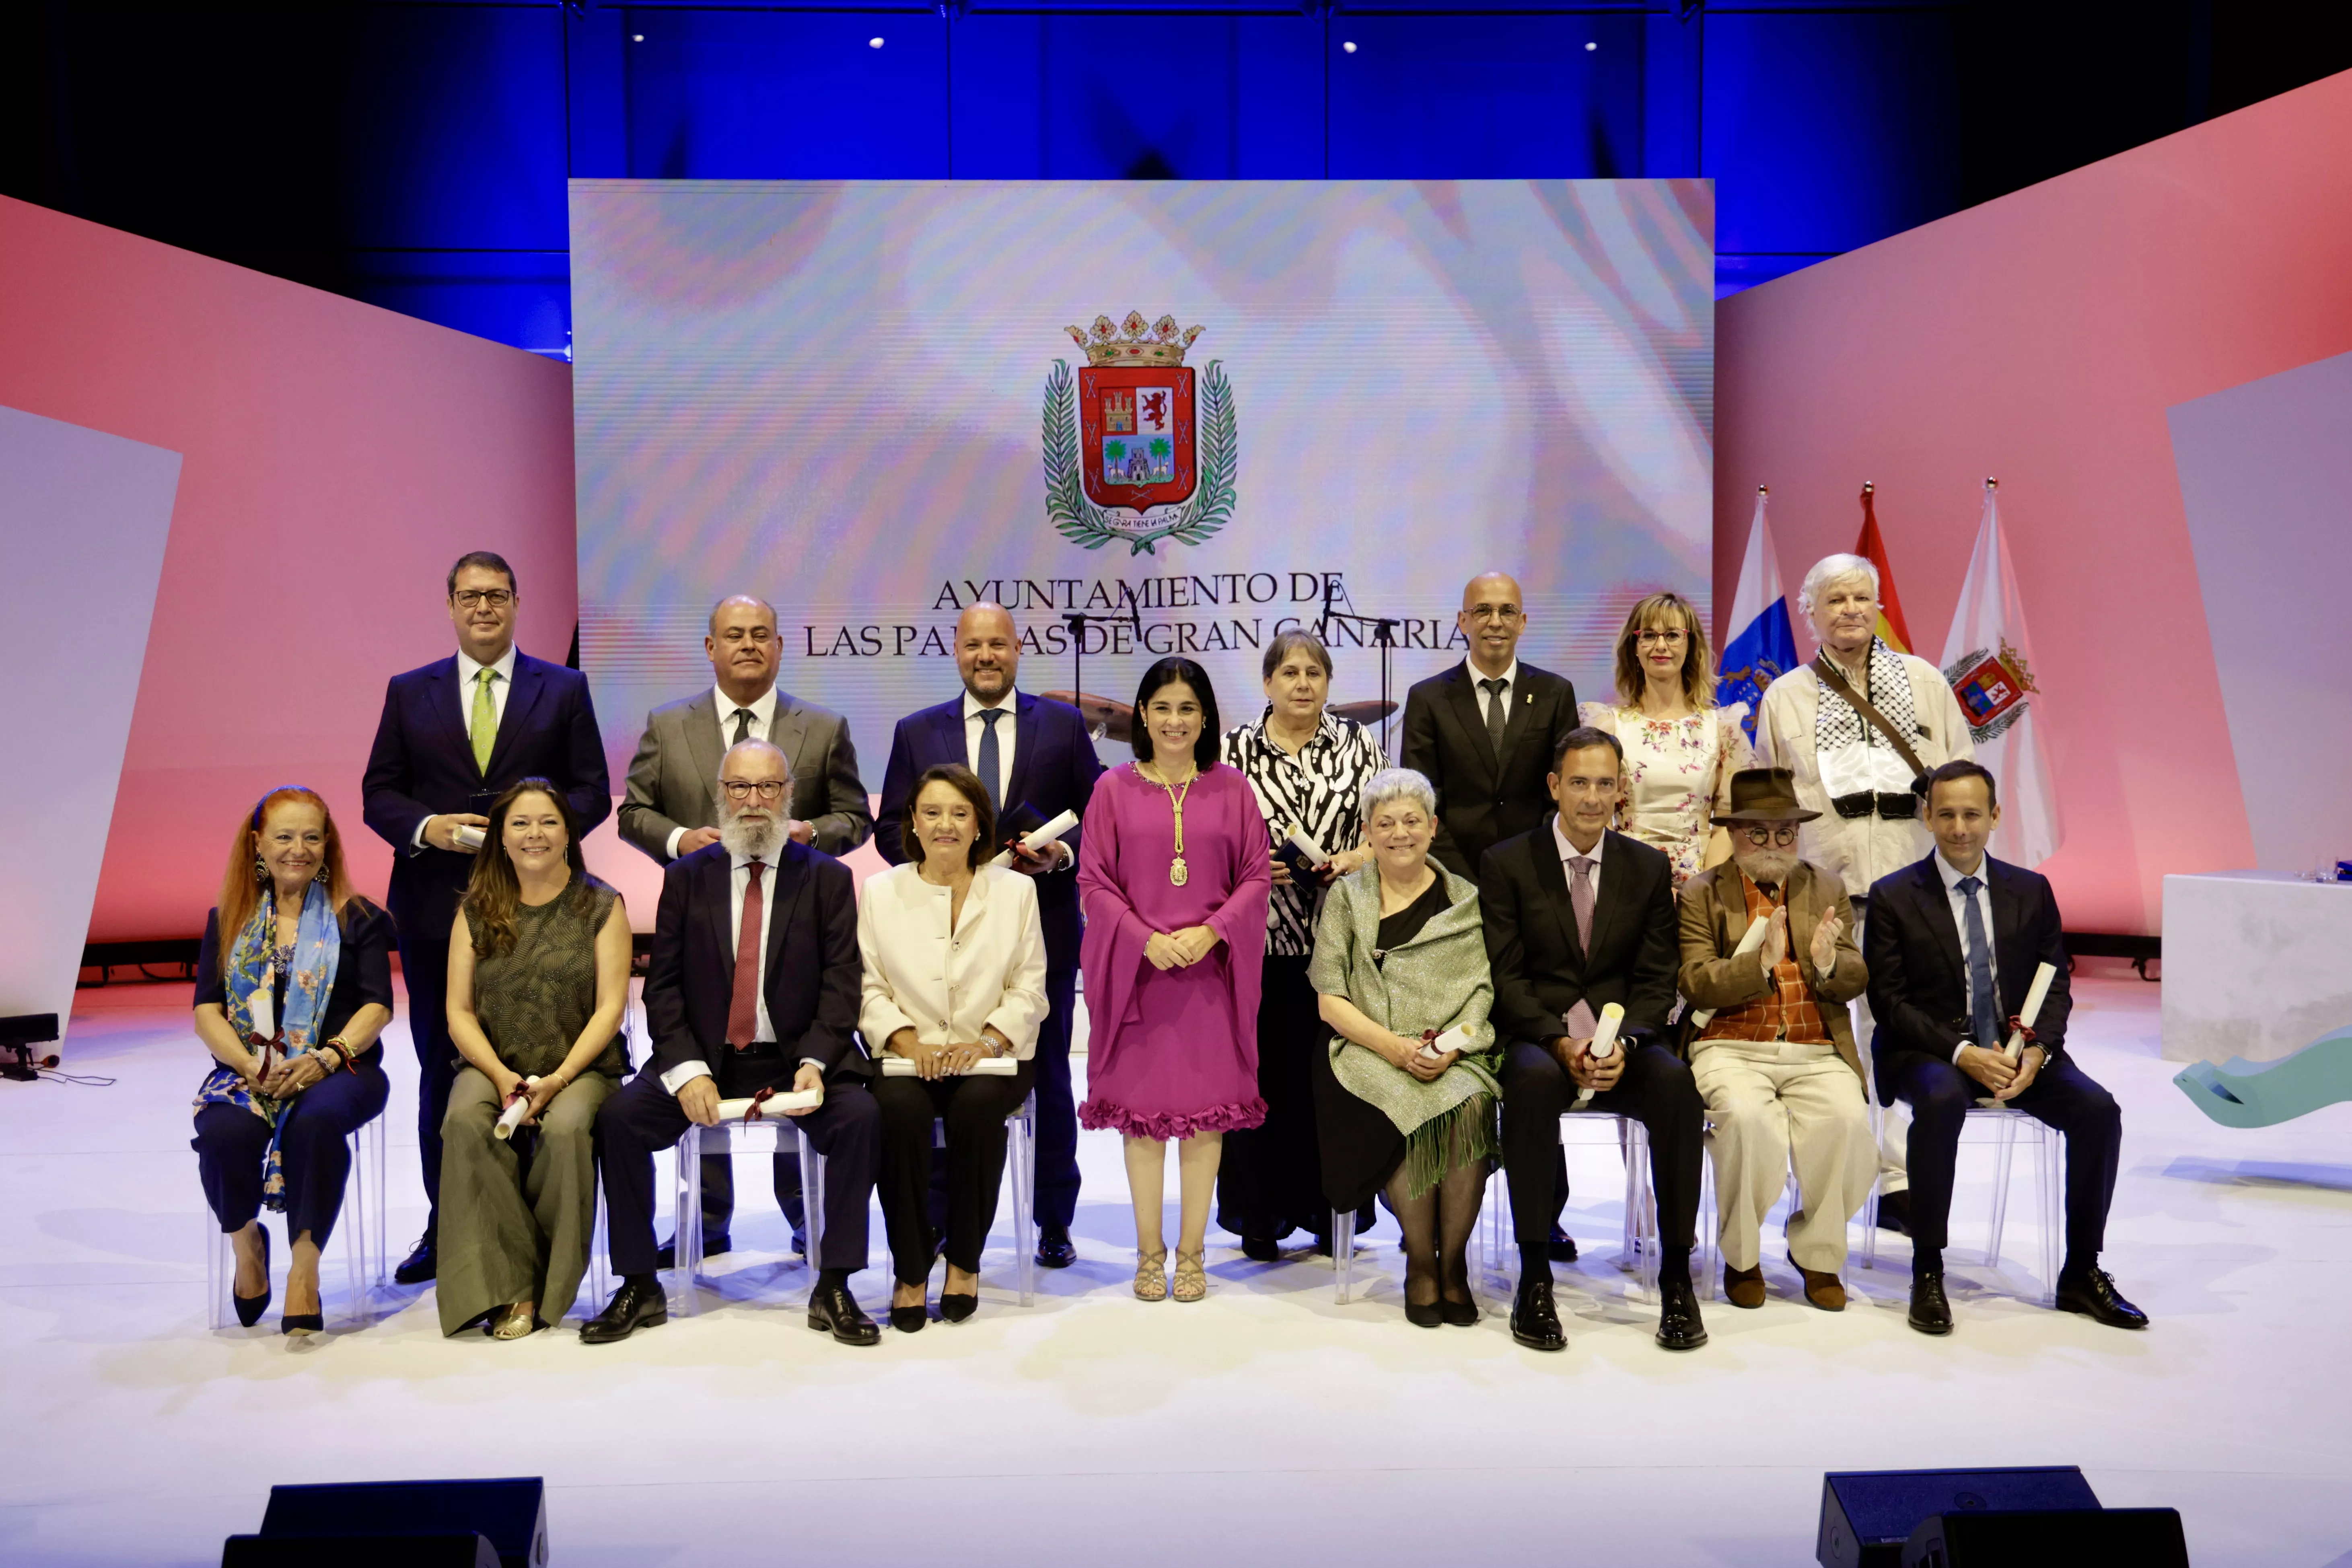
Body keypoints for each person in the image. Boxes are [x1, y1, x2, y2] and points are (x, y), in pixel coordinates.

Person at [362, 551, 610, 1286]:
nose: (483, 608)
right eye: (469, 596)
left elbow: (593, 789)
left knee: (547, 1056)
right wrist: (428, 826)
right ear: (450, 605)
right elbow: (380, 791)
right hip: (437, 910)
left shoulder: (563, 687)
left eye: (496, 595)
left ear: (516, 602)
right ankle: (448, 1224)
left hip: (545, 912)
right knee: (445, 1065)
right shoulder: (410, 692)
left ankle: (542, 1218)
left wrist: (537, 835)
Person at [585, 739, 881, 1346]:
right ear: (721, 796)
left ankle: (835, 1283)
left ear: (787, 796)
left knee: (860, 1116)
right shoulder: (686, 877)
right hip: (707, 1057)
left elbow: (841, 983)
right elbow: (662, 987)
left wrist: (815, 1061)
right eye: (740, 788)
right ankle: (639, 1282)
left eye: (767, 787)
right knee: (618, 1118)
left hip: (794, 1058)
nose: (753, 801)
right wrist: (689, 1069)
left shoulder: (828, 878)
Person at [616, 594, 871, 1264]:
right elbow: (633, 810)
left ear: (780, 645)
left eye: (762, 634)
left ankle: (810, 1225)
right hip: (709, 913)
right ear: (711, 646)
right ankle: (696, 1226)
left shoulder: (822, 726)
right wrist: (681, 843)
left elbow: (855, 815)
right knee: (668, 1080)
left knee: (822, 1077)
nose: (748, 645)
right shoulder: (669, 725)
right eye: (734, 635)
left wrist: (808, 833)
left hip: (794, 916)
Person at [1864, 761, 2147, 1336]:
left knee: (2098, 1112)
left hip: (2020, 1052)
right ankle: (1927, 1268)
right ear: (1926, 816)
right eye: (1945, 814)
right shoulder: (1892, 896)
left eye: (1971, 814)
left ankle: (2081, 1271)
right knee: (1940, 1103)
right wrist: (1962, 1052)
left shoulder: (2030, 889)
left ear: (1994, 815)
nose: (1959, 827)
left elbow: (2054, 981)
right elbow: (1891, 1003)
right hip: (1928, 1051)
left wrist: (2037, 1052)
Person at [873, 601, 1101, 1271]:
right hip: (938, 940)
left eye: (997, 644)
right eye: (974, 645)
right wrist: (951, 863)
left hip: (1041, 932)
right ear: (956, 651)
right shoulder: (917, 731)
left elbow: (1097, 820)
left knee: (1051, 1076)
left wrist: (1058, 857)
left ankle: (1054, 1217)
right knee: (942, 1075)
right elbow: (891, 830)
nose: (986, 656)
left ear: (1017, 648)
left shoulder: (1061, 725)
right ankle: (943, 1216)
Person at [1755, 554, 1973, 1239]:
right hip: (1823, 891)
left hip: (1914, 889)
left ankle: (1900, 1178)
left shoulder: (1925, 681)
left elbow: (1962, 780)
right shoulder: (1784, 695)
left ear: (1877, 605)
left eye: (1861, 597)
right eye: (1835, 599)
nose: (1849, 609)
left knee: (1904, 1029)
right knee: (1826, 1036)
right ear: (1810, 612)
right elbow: (1769, 803)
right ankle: (1832, 1173)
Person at [1481, 727, 1707, 1352]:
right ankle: (1534, 1277)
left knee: (1675, 1084)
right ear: (1554, 786)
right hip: (1542, 1034)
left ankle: (1675, 1277)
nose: (1590, 797)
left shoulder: (1646, 865)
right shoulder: (1506, 862)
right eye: (1578, 782)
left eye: (1604, 784)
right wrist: (1560, 1044)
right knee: (1526, 1081)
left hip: (1622, 1040)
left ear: (1619, 791)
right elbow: (1506, 976)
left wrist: (1626, 1044)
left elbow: (1656, 979)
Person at [1400, 570, 1583, 1260]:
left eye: (1508, 610)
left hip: (1535, 894)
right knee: (1456, 1053)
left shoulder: (1554, 692)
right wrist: (1470, 882)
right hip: (1454, 897)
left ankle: (1546, 1209)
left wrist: (1518, 876)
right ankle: (1437, 1209)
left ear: (1524, 620)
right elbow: (1423, 800)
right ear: (1461, 620)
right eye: (1483, 610)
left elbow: (1558, 796)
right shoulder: (1428, 698)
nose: (1496, 621)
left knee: (1535, 1052)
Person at [1076, 657, 1272, 1304]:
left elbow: (1254, 877)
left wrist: (1212, 931)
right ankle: (1149, 1252)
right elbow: (1094, 880)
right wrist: (1144, 939)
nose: (1174, 720)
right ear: (1142, 716)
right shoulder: (1112, 789)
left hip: (1209, 978)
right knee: (1142, 1124)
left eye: (1187, 708)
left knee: (1203, 1123)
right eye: (1161, 707)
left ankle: (1192, 1254)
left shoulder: (1232, 788)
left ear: (1206, 717)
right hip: (1140, 977)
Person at [191, 787, 394, 1336]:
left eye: (311, 836)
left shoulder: (360, 917)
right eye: (284, 836)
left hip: (342, 1069)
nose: (297, 849)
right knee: (222, 1133)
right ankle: (247, 1244)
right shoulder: (228, 916)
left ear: (327, 843)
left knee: (315, 1122)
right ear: (258, 843)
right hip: (247, 1070)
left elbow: (378, 1005)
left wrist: (326, 1057)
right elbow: (207, 1010)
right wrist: (253, 1068)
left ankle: (305, 1268)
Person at [436, 780, 632, 1339]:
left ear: (569, 831)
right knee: (463, 1122)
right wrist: (500, 1077)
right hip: (494, 1063)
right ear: (499, 836)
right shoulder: (477, 909)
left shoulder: (601, 904)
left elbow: (610, 1009)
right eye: (520, 823)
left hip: (580, 1066)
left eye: (547, 821)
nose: (534, 834)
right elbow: (458, 1011)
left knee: (568, 1128)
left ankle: (545, 1286)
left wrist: (560, 1077)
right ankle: (510, 1284)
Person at [1676, 768, 1874, 1311]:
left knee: (1847, 1121)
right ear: (1733, 833)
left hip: (1815, 1047)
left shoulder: (1825, 887)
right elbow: (1692, 980)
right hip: (1729, 1045)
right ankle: (1742, 1257)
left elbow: (1856, 976)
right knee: (1746, 1122)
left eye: (1783, 832)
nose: (1772, 844)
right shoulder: (1702, 892)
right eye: (1757, 833)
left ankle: (1816, 1252)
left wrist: (1829, 961)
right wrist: (1753, 966)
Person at [1307, 768, 1498, 1327]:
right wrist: (1395, 1050)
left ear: (1432, 827)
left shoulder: (1463, 899)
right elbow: (1329, 999)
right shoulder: (1346, 898)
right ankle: (1419, 1263)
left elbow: (1480, 990)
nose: (1399, 833)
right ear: (1367, 832)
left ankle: (1453, 1264)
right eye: (1385, 823)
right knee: (1406, 1107)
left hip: (1452, 1051)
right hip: (1368, 1048)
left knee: (1467, 1105)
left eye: (1411, 820)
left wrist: (1450, 1049)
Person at [860, 765, 1048, 1331]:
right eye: (933, 812)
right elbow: (867, 986)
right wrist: (903, 1038)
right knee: (897, 1110)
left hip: (993, 1053)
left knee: (975, 1108)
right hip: (906, 1053)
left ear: (978, 826)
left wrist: (987, 1039)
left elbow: (1029, 986)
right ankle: (911, 1268)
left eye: (960, 813)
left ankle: (964, 1260)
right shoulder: (880, 890)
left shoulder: (1017, 891)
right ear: (912, 822)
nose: (945, 824)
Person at [1218, 628, 1381, 1260]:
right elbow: (1214, 842)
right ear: (1266, 683)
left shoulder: (1359, 746)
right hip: (1259, 942)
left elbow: (1386, 828)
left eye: (1314, 672)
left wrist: (1353, 857)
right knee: (1262, 1081)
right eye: (1289, 672)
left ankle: (1328, 1210)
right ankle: (1258, 1215)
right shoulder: (1233, 751)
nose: (1302, 683)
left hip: (1335, 943)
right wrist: (1256, 864)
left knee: (1331, 1083)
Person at [1579, 591, 1754, 891]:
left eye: (1672, 635)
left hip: (1702, 886)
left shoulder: (1721, 729)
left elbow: (1731, 822)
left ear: (1690, 645)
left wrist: (1700, 892)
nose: (1660, 646)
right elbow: (1599, 819)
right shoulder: (1607, 727)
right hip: (1624, 884)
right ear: (1634, 646)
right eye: (1648, 635)